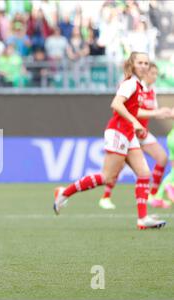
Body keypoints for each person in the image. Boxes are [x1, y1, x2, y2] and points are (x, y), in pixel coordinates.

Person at [53, 52, 167, 230]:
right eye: (140, 63)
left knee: (144, 173)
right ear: (133, 65)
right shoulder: (130, 83)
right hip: (118, 132)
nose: (144, 66)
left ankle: (142, 218)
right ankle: (63, 193)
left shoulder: (139, 85)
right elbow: (116, 104)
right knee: (106, 177)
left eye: (146, 63)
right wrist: (135, 121)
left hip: (128, 134)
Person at [99, 63, 173, 210]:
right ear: (145, 74)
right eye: (152, 73)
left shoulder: (152, 91)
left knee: (162, 158)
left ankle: (152, 195)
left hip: (142, 132)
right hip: (128, 131)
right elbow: (134, 111)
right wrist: (155, 113)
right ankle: (105, 197)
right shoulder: (137, 88)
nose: (155, 77)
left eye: (156, 74)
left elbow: (152, 112)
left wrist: (165, 113)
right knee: (117, 167)